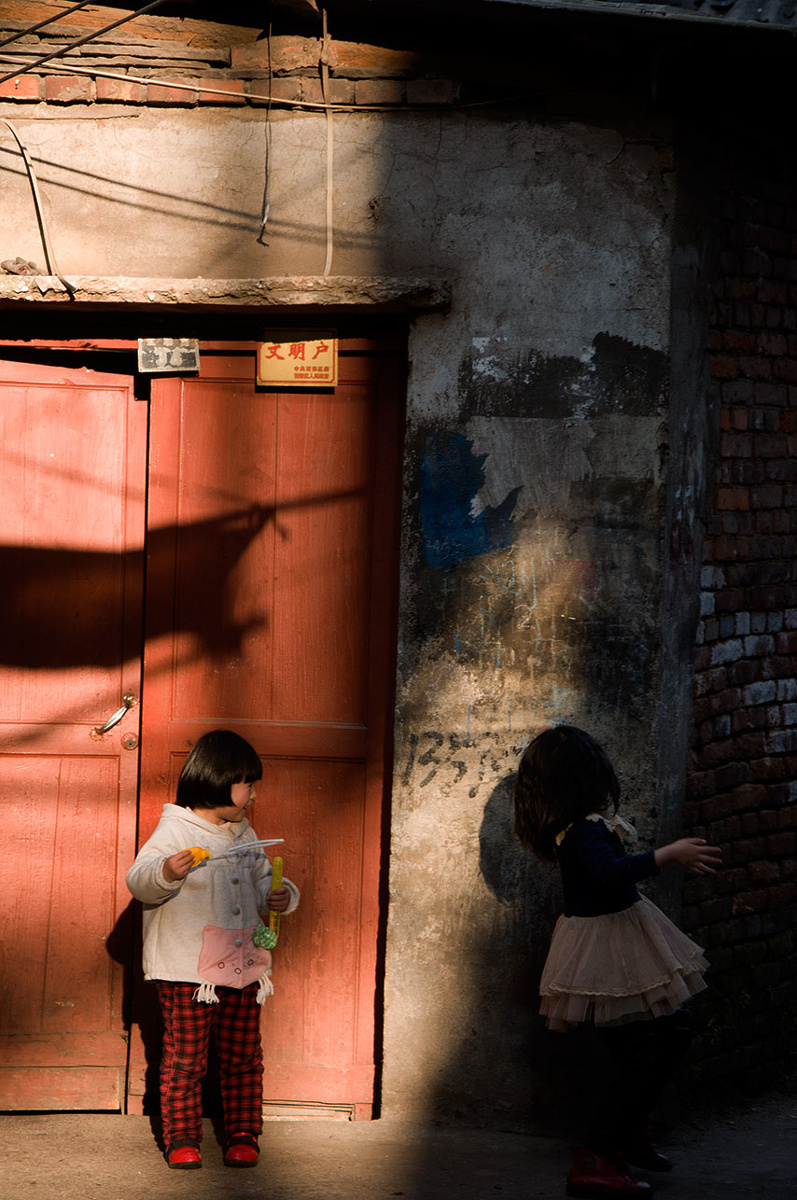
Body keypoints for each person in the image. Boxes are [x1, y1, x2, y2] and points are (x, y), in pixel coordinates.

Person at [514, 724, 721, 1199]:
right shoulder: (582, 832)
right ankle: (594, 1157)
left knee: (670, 1032)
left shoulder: (588, 825)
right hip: (605, 952)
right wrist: (667, 854)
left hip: (626, 937)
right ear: (584, 779)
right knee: (639, 1055)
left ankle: (626, 1131)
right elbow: (609, 873)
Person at [126, 729, 299, 1171]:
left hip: (241, 965)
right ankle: (182, 1136)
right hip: (188, 970)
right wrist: (165, 870)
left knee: (243, 1055)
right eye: (247, 783)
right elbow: (139, 880)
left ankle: (243, 1132)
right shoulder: (175, 828)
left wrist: (279, 895)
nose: (253, 793)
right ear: (217, 780)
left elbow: (264, 882)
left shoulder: (244, 833)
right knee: (186, 1057)